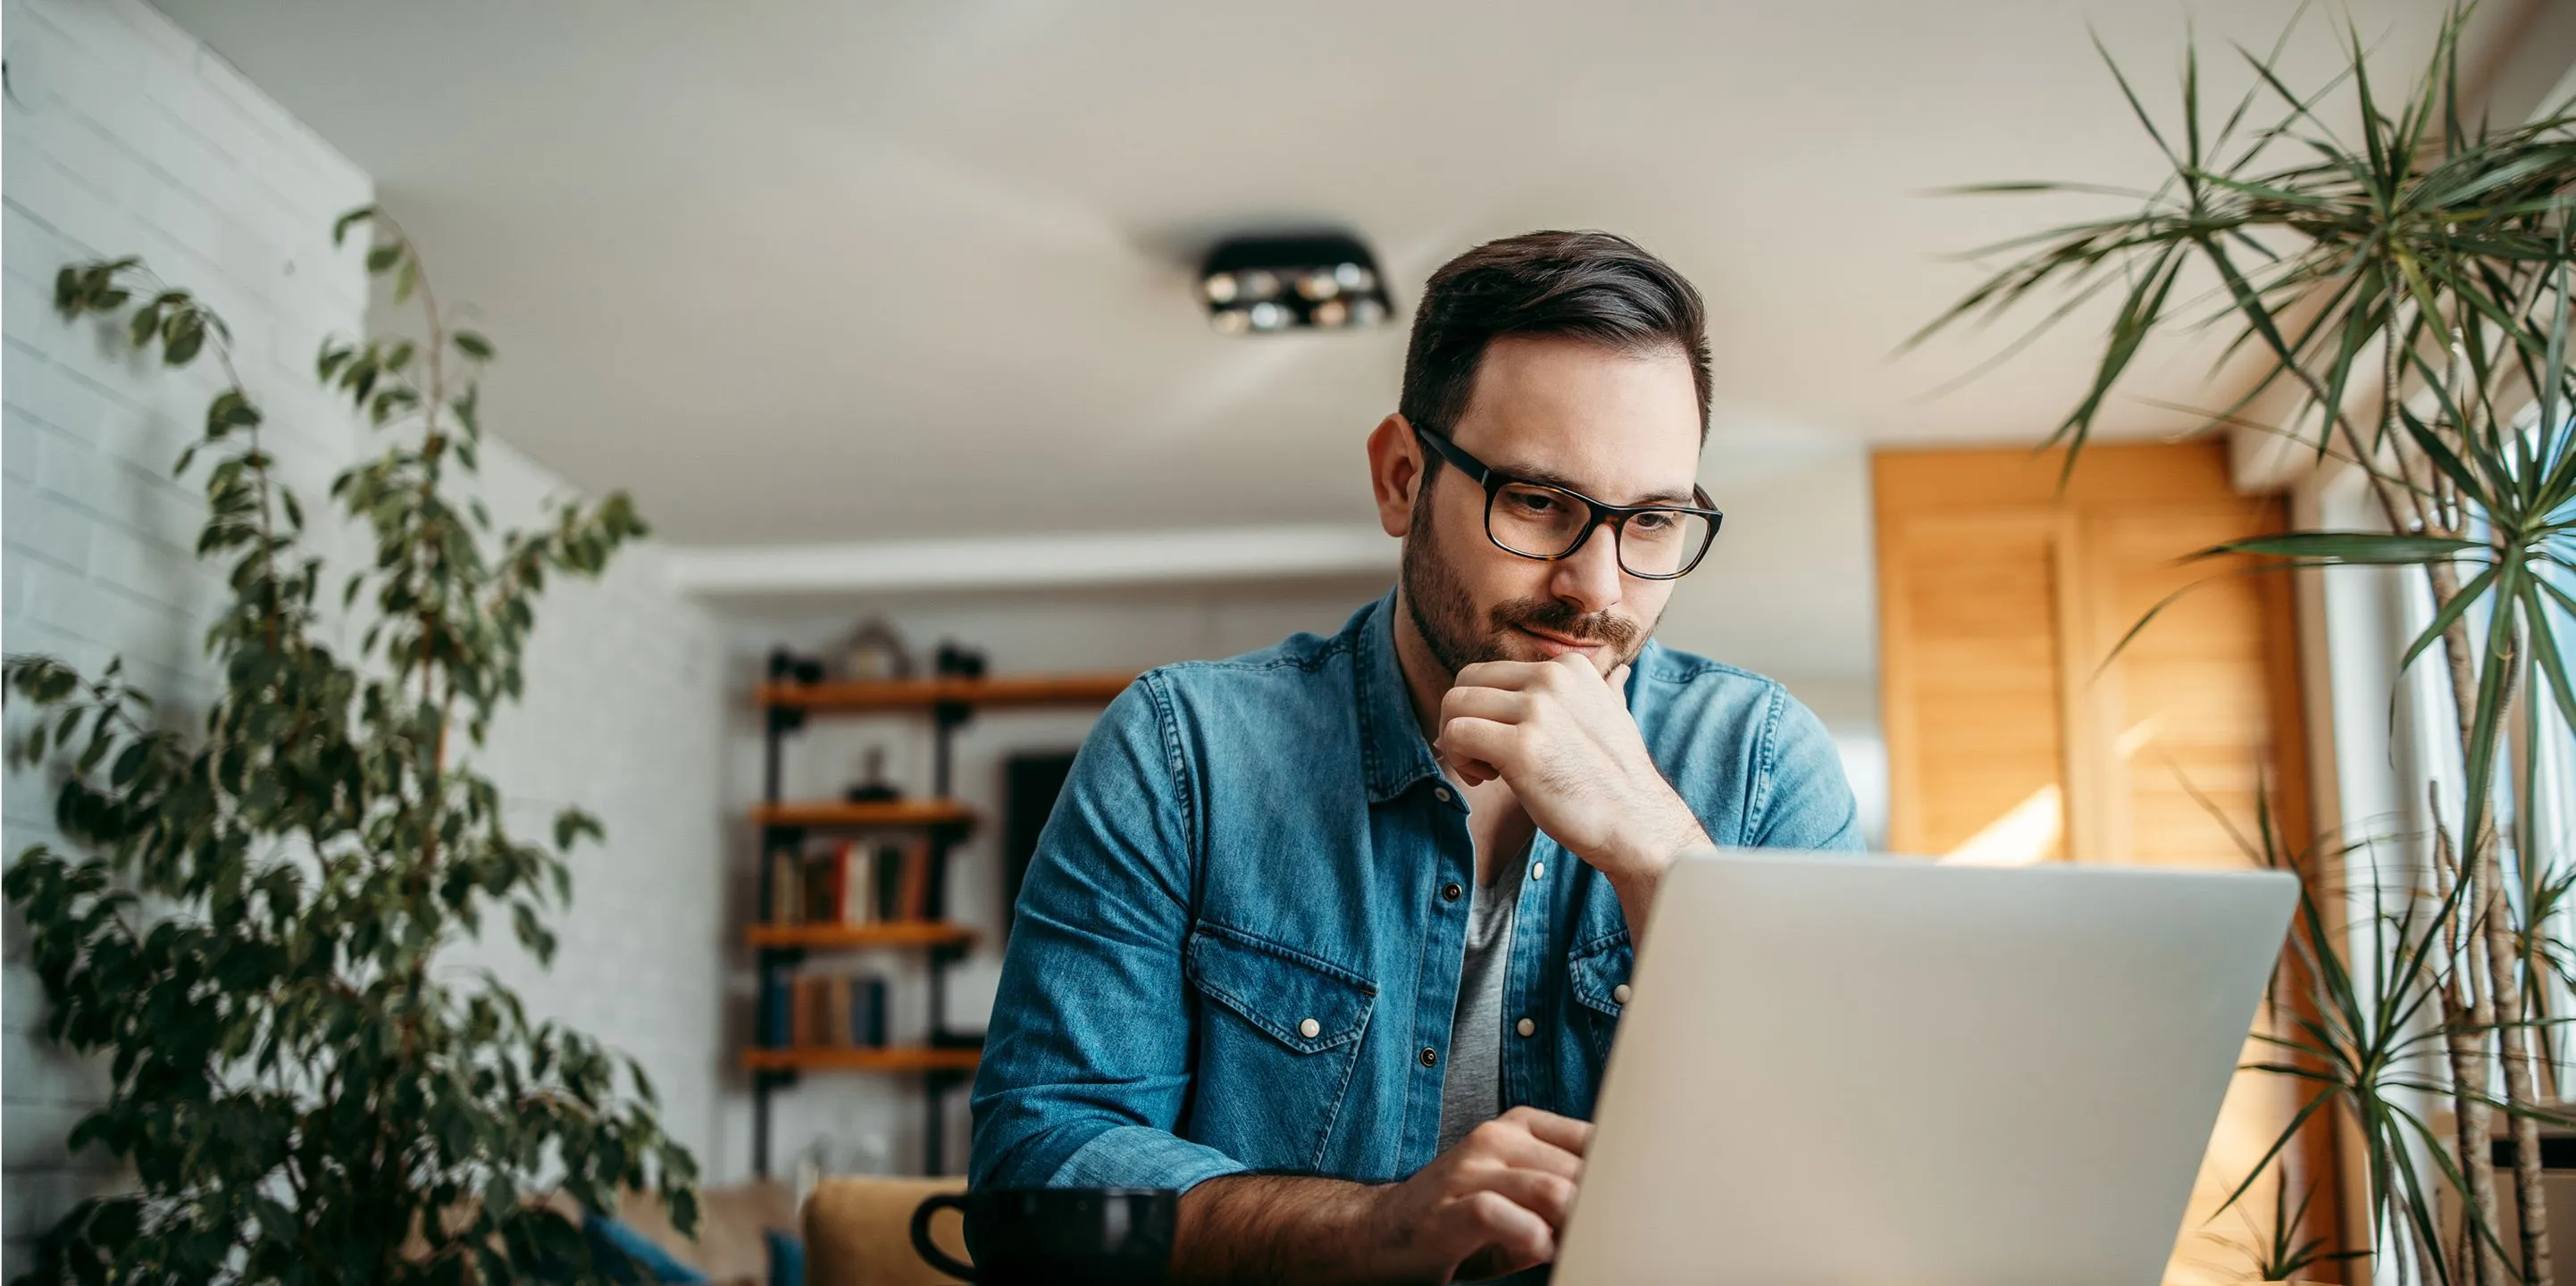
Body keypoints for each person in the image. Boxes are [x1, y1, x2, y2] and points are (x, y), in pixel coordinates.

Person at [968, 230, 1863, 1283]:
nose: (1597, 587)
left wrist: (1660, 860)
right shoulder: (1182, 755)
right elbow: (1036, 1179)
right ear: (1401, 478)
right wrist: (1375, 1228)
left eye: (1654, 520)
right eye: (1538, 502)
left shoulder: (1762, 765)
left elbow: (1851, 1181)